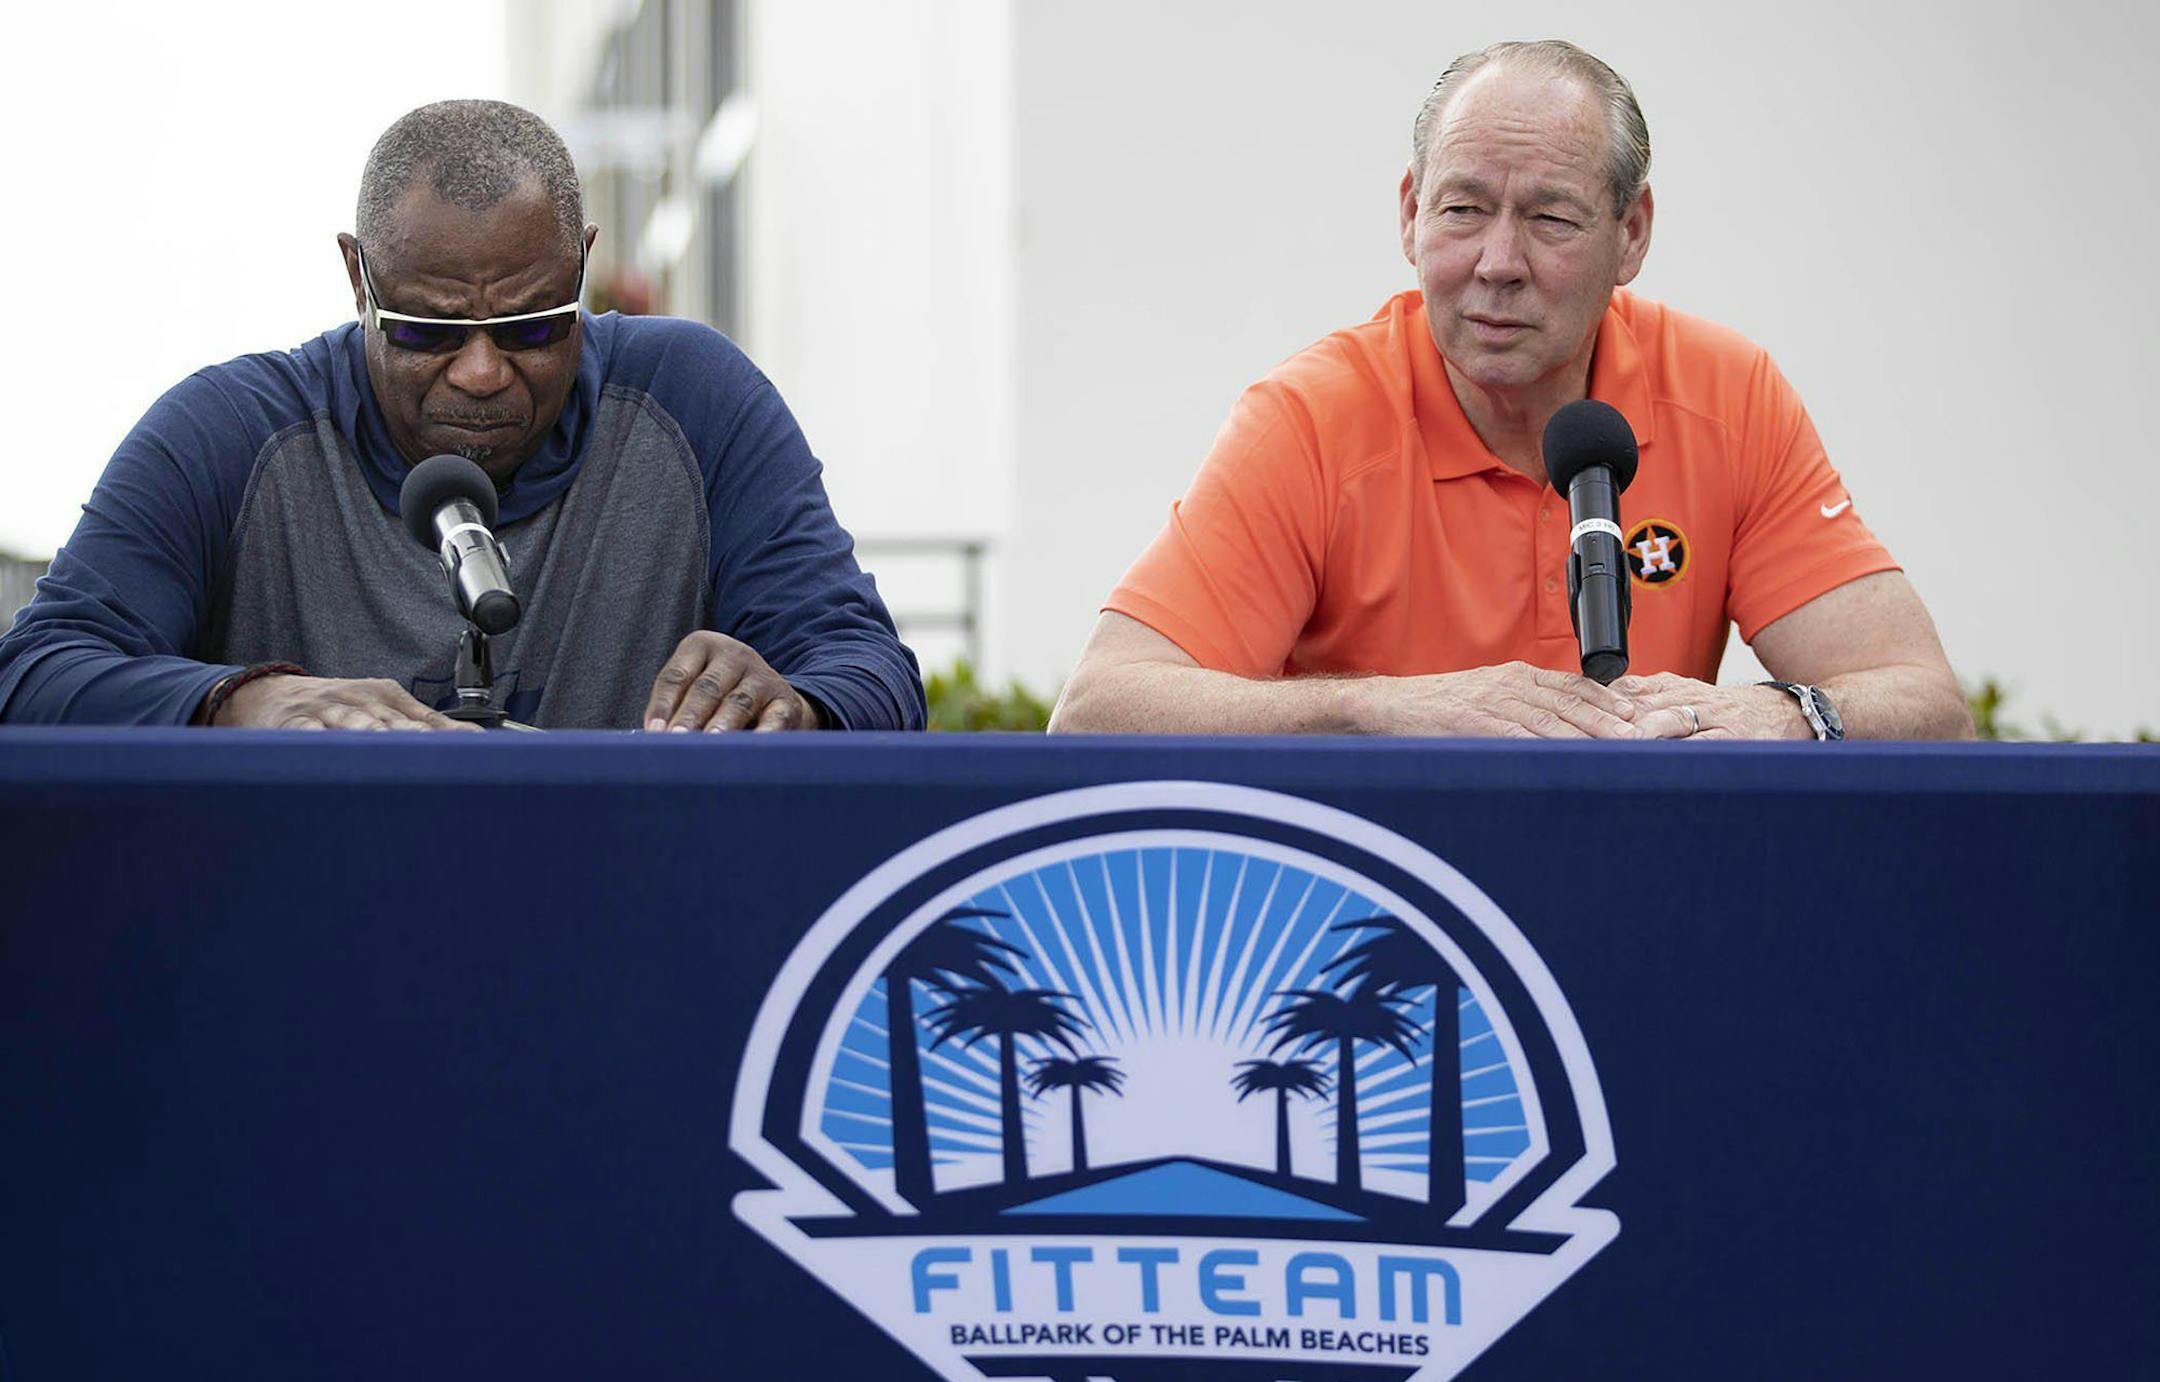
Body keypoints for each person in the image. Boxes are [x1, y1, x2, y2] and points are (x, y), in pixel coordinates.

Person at [1050, 41, 1970, 741]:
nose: (1498, 263)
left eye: (1550, 218)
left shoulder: (1728, 394)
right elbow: (1098, 708)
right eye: (1463, 209)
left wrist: (1785, 714)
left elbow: (1926, 699)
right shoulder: (1312, 417)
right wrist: (1389, 710)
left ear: (1633, 232)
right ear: (1409, 215)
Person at [0, 100, 923, 733]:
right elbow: (32, 674)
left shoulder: (698, 399)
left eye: (530, 327)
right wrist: (245, 702)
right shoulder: (227, 433)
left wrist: (796, 701)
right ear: (357, 276)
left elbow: (871, 671)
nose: (481, 372)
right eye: (426, 330)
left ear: (582, 265)